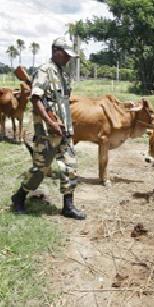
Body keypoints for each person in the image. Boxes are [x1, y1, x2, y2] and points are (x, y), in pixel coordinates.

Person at [11, 37, 86, 220]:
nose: (68, 59)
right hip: (47, 132)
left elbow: (63, 102)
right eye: (66, 55)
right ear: (56, 51)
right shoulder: (44, 71)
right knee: (40, 170)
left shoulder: (63, 73)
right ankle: (19, 197)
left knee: (70, 167)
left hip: (64, 129)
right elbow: (36, 100)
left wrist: (67, 125)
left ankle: (68, 206)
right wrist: (51, 122)